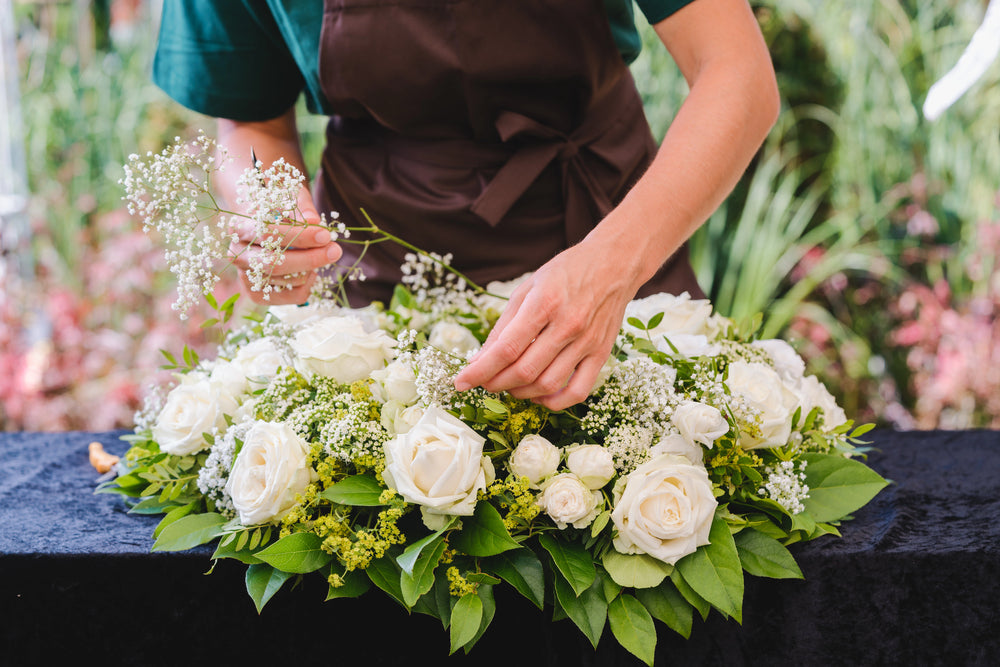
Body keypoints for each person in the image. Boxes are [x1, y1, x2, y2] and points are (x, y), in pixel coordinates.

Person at [152, 0, 779, 411]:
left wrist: (611, 266)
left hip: (606, 233)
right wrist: (270, 213)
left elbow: (736, 71)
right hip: (373, 267)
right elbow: (251, 120)